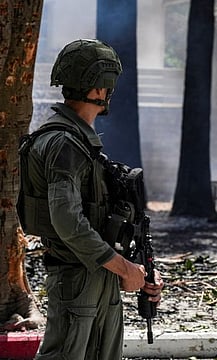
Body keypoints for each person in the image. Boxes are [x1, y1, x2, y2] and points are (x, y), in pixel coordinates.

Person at [17, 39, 163, 360]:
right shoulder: (64, 144)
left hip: (99, 276)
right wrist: (125, 268)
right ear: (99, 89)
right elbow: (69, 223)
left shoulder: (82, 143)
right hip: (78, 278)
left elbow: (98, 221)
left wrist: (139, 269)